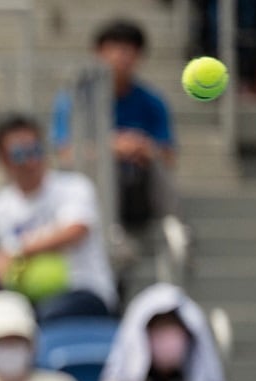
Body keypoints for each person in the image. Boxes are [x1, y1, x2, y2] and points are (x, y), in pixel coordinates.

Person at [0, 115, 117, 322]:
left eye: (35, 150)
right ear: (3, 160)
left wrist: (14, 251)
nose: (30, 161)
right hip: (26, 300)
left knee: (43, 318)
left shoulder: (74, 187)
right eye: (19, 154)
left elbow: (76, 230)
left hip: (83, 291)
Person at [52, 19, 175, 241]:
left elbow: (167, 155)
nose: (122, 58)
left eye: (130, 51)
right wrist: (112, 147)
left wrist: (142, 148)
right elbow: (65, 154)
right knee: (100, 164)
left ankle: (173, 229)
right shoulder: (73, 100)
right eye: (115, 49)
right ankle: (108, 229)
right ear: (97, 54)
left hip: (138, 188)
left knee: (156, 165)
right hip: (91, 189)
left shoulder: (152, 102)